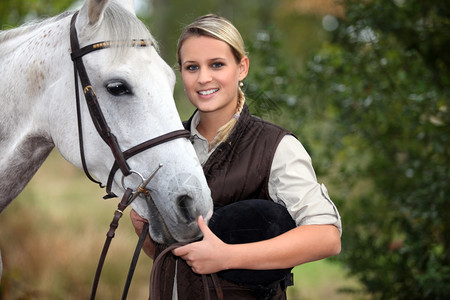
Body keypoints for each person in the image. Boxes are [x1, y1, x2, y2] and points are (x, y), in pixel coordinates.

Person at [130, 14, 342, 299]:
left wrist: (227, 256)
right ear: (180, 73)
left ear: (242, 67)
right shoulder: (165, 149)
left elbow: (326, 237)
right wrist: (147, 234)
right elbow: (177, 257)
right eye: (192, 67)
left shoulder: (275, 146)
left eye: (217, 64)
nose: (204, 78)